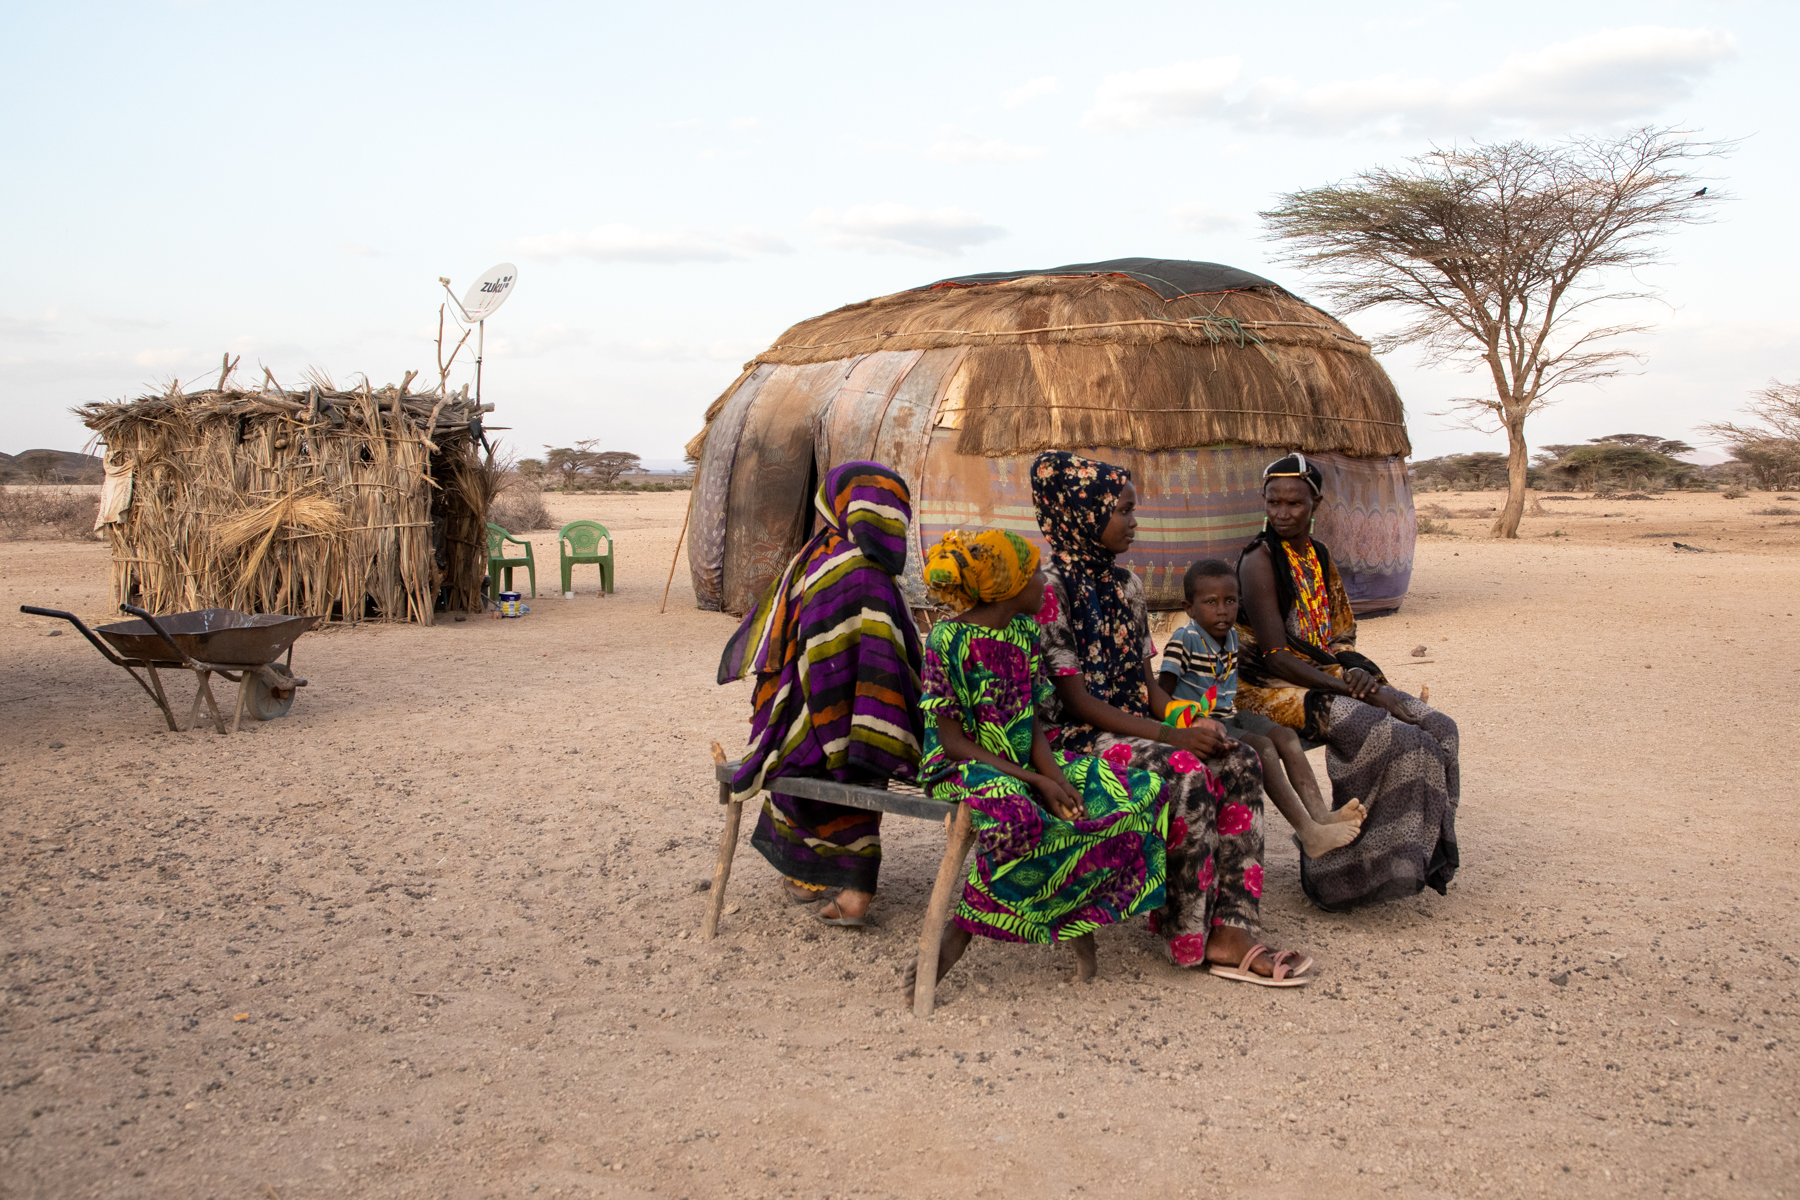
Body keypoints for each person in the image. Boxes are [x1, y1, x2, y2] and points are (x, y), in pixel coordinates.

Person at [1029, 451, 1312, 987]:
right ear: (1082, 513)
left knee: (1241, 758)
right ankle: (1186, 931)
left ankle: (1232, 926)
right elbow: (1075, 702)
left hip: (1130, 724)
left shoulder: (1127, 587)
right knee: (1184, 768)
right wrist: (1172, 735)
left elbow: (1144, 685)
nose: (1135, 523)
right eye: (1124, 511)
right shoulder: (1049, 591)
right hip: (1074, 737)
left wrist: (1194, 720)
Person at [903, 530, 1170, 1003]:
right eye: (1034, 575)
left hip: (1024, 761)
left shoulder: (1025, 634)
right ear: (1009, 586)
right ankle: (958, 936)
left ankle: (1074, 916)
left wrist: (1058, 779)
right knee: (1020, 819)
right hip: (964, 766)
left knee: (1132, 791)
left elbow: (1033, 727)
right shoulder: (948, 638)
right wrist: (1034, 781)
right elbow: (951, 740)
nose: (1045, 583)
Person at [1235, 452, 1461, 910]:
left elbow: (1338, 636)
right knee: (1376, 728)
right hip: (1267, 688)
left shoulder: (1318, 556)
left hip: (1321, 675)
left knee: (1437, 727)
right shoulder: (1259, 561)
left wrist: (1361, 672)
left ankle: (1414, 855)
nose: (1282, 512)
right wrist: (1357, 690)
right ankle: (1342, 874)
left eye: (1294, 503)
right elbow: (1276, 656)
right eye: (1273, 501)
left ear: (1315, 503)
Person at [717, 460, 924, 927]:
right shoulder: (865, 570)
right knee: (857, 760)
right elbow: (870, 665)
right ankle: (833, 883)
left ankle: (846, 888)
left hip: (807, 717)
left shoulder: (820, 556)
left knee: (832, 762)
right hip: (847, 715)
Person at [1158, 559, 1366, 859]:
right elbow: (1162, 692)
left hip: (1228, 713)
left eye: (1230, 601)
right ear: (1189, 607)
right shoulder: (1184, 640)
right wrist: (1181, 727)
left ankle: (1320, 815)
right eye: (1211, 602)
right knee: (1264, 748)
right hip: (1202, 722)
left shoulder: (1231, 636)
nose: (1222, 610)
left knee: (1285, 737)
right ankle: (1307, 831)